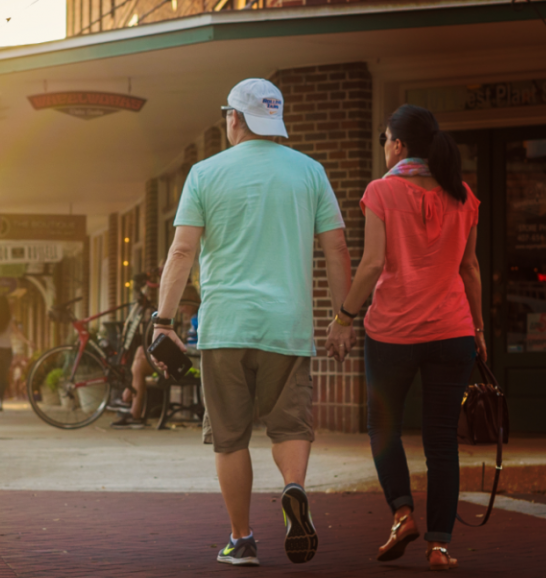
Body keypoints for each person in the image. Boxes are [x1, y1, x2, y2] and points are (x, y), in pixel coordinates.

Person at [152, 78, 352, 567]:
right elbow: (338, 249)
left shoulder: (204, 173)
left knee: (230, 437)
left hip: (225, 326)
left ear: (234, 119)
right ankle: (293, 489)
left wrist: (163, 321)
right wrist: (344, 318)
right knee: (290, 427)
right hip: (288, 326)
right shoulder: (310, 172)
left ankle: (241, 539)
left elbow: (182, 250)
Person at [327, 104, 484, 571]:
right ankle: (439, 546)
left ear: (397, 144)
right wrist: (478, 330)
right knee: (441, 442)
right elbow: (470, 267)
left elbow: (372, 264)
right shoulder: (463, 195)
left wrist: (343, 317)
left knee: (384, 429)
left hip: (393, 332)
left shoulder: (382, 191)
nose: (384, 148)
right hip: (453, 330)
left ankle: (401, 513)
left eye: (384, 140)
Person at [112, 283, 200, 429]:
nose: (181, 308)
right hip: (189, 358)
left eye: (182, 303)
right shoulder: (192, 319)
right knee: (141, 352)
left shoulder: (199, 317)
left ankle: (131, 404)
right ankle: (131, 404)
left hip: (192, 363)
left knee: (141, 354)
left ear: (191, 299)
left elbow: (200, 345)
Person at [0, 295, 31, 412]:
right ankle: (0, 399)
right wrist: (27, 341)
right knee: (4, 376)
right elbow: (17, 332)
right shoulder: (9, 318)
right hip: (6, 350)